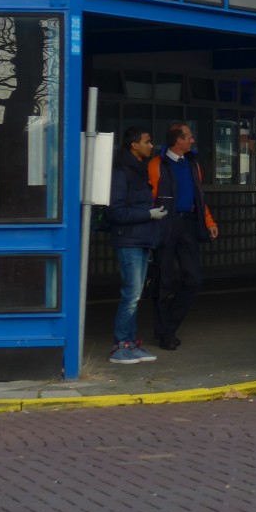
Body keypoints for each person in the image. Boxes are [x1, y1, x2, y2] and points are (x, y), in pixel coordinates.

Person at [148, 121, 218, 351]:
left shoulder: (192, 165)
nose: (192, 140)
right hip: (164, 223)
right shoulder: (156, 165)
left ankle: (167, 327)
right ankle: (166, 333)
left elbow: (199, 198)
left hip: (188, 223)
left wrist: (208, 221)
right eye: (189, 137)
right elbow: (150, 198)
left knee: (194, 278)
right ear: (178, 140)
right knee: (162, 281)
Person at [104, 127, 168, 365]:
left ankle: (130, 344)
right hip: (129, 239)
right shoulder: (122, 172)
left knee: (135, 294)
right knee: (131, 294)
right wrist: (148, 214)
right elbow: (115, 211)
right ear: (134, 145)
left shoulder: (138, 169)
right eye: (147, 141)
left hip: (140, 238)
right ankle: (120, 346)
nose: (151, 146)